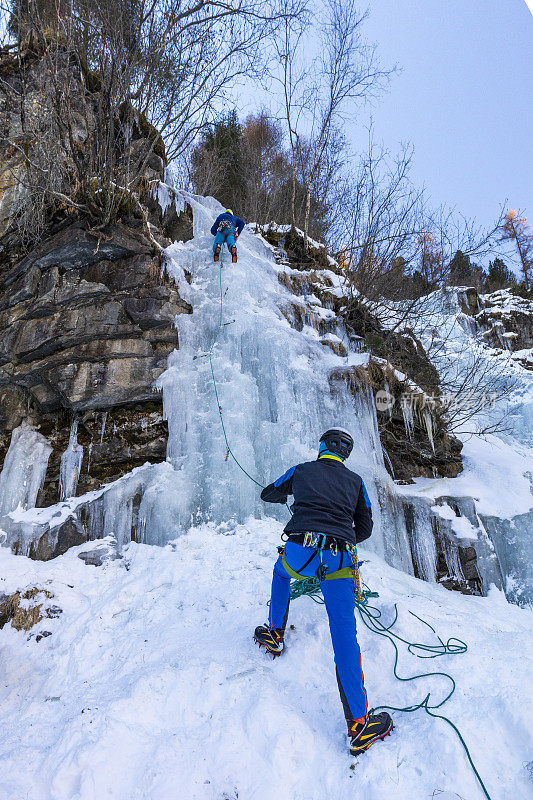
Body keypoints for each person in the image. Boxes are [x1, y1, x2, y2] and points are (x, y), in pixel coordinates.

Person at [254, 428, 393, 757]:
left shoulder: (302, 470)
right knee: (343, 633)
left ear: (321, 448)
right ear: (344, 454)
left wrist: (292, 496)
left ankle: (275, 634)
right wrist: (341, 538)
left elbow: (269, 493)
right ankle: (358, 725)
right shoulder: (356, 482)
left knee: (280, 573)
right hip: (339, 557)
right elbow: (366, 526)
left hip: (300, 550)